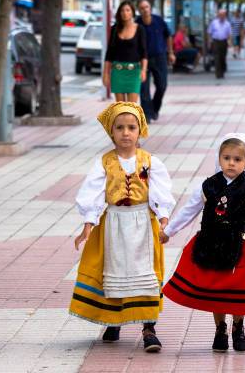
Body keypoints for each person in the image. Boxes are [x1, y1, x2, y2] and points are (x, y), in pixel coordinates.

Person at [160, 133, 245, 352]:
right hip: (210, 242)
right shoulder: (207, 186)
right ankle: (220, 329)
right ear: (219, 159)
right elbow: (188, 211)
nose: (231, 163)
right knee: (216, 289)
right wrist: (169, 231)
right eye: (227, 158)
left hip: (239, 246)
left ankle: (238, 328)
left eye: (237, 159)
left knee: (238, 289)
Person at [69, 102, 176, 353]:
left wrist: (163, 219)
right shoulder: (104, 163)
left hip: (143, 224)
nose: (126, 133)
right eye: (120, 128)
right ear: (111, 132)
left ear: (140, 131)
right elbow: (93, 193)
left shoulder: (150, 162)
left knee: (146, 273)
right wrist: (88, 224)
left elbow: (161, 192)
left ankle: (149, 328)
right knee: (113, 271)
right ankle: (112, 321)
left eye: (131, 127)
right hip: (114, 224)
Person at [136, 0, 175, 122]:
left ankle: (154, 108)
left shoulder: (158, 20)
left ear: (150, 8)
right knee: (144, 89)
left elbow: (168, 36)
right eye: (142, 8)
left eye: (146, 7)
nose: (145, 9)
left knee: (162, 85)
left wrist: (171, 53)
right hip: (143, 59)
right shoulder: (137, 24)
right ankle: (146, 115)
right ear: (139, 10)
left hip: (160, 57)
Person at [103, 0, 147, 103]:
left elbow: (144, 52)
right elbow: (109, 53)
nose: (125, 13)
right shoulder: (115, 29)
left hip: (134, 72)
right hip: (118, 72)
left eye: (128, 10)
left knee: (131, 109)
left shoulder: (140, 29)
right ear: (119, 13)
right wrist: (106, 73)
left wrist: (144, 70)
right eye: (122, 10)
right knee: (121, 109)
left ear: (132, 12)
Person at [208, 9, 231, 79]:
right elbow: (209, 32)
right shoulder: (214, 22)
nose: (221, 16)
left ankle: (222, 70)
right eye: (220, 15)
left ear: (225, 15)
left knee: (222, 57)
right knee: (217, 57)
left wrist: (229, 42)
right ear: (218, 15)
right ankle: (218, 73)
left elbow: (229, 34)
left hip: (224, 42)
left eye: (223, 15)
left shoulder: (227, 23)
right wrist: (209, 41)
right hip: (216, 41)